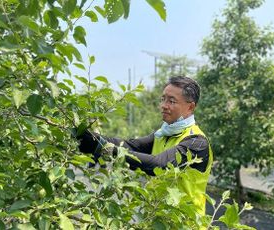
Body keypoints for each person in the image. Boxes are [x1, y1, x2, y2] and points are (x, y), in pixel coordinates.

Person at [77, 76, 213, 214]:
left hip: (186, 225)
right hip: (157, 220)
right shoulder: (163, 134)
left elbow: (159, 164)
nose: (164, 105)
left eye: (172, 101)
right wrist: (95, 140)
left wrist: (107, 150)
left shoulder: (196, 141)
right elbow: (131, 146)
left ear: (190, 107)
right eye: (163, 99)